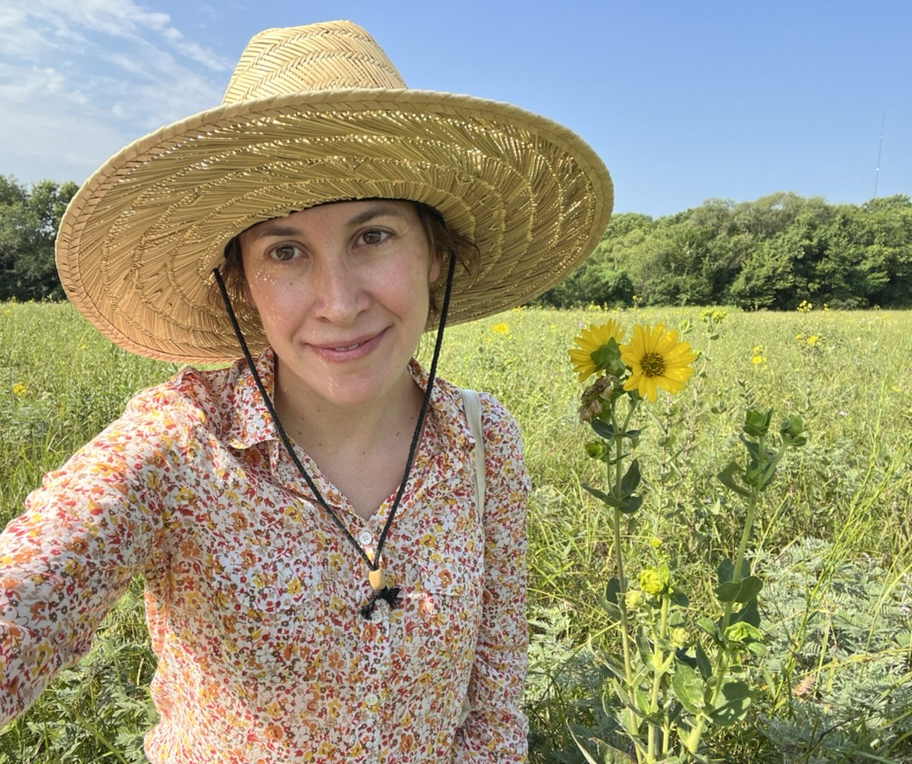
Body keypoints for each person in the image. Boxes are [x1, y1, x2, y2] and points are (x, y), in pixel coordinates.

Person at [0, 19, 613, 763]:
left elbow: (492, 716)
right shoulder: (176, 447)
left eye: (373, 236)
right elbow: (25, 596)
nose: (339, 301)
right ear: (242, 285)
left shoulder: (484, 441)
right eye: (285, 251)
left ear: (435, 255)